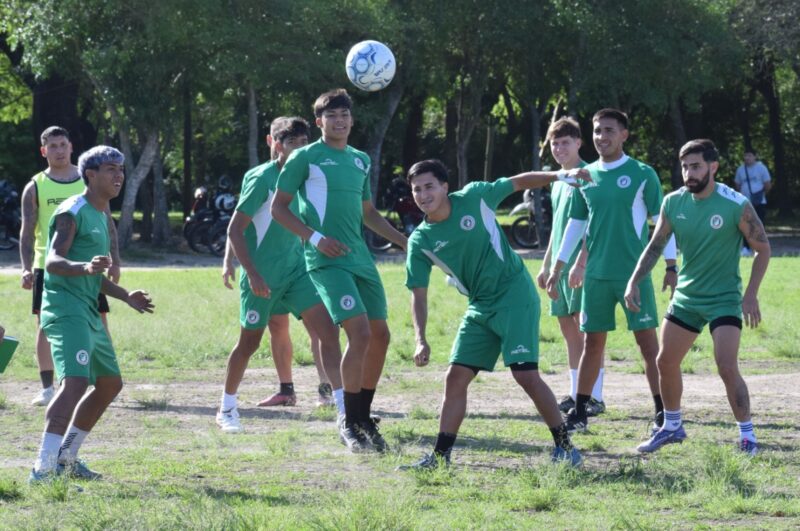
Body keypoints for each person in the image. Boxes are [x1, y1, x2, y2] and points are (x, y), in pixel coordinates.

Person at [399, 159, 587, 469]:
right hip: (480, 305)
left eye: (429, 186)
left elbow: (518, 181)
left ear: (445, 187)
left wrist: (560, 175)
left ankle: (566, 449)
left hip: (515, 294)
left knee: (525, 375)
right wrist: (420, 338)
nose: (423, 195)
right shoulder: (421, 240)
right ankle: (440, 458)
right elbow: (418, 293)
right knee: (455, 378)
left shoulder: (475, 197)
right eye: (416, 190)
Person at [273, 89, 407, 453]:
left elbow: (369, 213)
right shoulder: (304, 157)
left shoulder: (360, 160)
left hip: (361, 258)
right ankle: (347, 418)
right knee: (359, 333)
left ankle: (363, 416)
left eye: (344, 114)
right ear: (319, 122)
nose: (340, 121)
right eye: (331, 116)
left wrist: (404, 242)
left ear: (352, 119)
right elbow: (278, 209)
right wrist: (316, 238)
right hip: (326, 260)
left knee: (380, 336)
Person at [625, 139, 769, 456]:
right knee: (664, 361)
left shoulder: (736, 204)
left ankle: (748, 435)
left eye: (696, 166)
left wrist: (750, 295)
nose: (689, 173)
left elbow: (763, 249)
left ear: (713, 167)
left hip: (724, 299)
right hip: (687, 297)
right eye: (685, 167)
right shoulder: (673, 202)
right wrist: (634, 280)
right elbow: (655, 246)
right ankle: (672, 426)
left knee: (726, 366)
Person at [546, 108, 678, 434]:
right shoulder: (586, 175)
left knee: (648, 345)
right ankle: (580, 412)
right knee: (592, 343)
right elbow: (576, 225)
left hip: (634, 276)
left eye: (608, 130)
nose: (601, 137)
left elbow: (663, 224)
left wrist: (671, 265)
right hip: (596, 276)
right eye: (597, 131)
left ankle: (661, 412)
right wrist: (558, 267)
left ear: (624, 135)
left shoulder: (642, 173)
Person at [29, 146, 154, 483]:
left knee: (110, 383)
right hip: (65, 308)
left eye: (121, 169)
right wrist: (85, 266)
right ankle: (43, 469)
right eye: (111, 169)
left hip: (87, 308)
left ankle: (66, 458)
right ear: (91, 175)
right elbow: (53, 261)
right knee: (75, 383)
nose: (119, 176)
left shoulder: (100, 214)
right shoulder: (73, 211)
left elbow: (94, 276)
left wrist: (126, 296)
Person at [216, 117, 344, 434]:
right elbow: (235, 230)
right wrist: (250, 273)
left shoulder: (308, 177)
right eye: (291, 144)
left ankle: (345, 409)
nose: (298, 150)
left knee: (328, 331)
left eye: (303, 143)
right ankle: (226, 408)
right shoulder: (262, 178)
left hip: (297, 273)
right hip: (262, 277)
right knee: (248, 343)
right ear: (275, 144)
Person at [19, 126, 121, 407]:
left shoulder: (90, 178)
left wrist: (115, 259)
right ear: (44, 151)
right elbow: (27, 231)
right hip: (49, 264)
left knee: (99, 319)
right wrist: (26, 267)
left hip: (90, 266)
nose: (59, 150)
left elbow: (108, 221)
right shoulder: (36, 186)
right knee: (46, 325)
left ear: (71, 146)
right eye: (53, 146)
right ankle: (47, 387)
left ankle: (102, 380)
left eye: (63, 144)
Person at [535, 117, 605, 417]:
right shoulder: (559, 180)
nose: (559, 148)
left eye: (565, 142)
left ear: (579, 142)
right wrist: (547, 264)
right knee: (567, 328)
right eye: (555, 143)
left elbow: (594, 223)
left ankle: (595, 397)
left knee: (587, 329)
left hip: (581, 265)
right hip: (559, 267)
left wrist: (582, 263)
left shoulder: (587, 176)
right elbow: (557, 228)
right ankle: (577, 392)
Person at [733, 150, 771, 257]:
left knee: (759, 226)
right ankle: (746, 248)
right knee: (745, 225)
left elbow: (767, 184)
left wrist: (759, 195)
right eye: (745, 156)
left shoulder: (761, 168)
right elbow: (737, 184)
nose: (747, 158)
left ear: (755, 156)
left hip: (759, 203)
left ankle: (759, 249)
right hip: (745, 203)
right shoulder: (741, 169)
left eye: (749, 156)